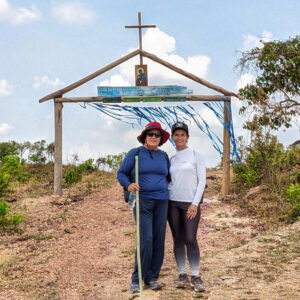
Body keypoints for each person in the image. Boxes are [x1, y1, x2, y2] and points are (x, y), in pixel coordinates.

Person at [117, 121, 170, 294]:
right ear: (145, 137)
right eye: (150, 134)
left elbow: (168, 177)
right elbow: (121, 173)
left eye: (157, 135)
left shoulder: (164, 156)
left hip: (162, 200)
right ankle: (136, 279)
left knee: (158, 239)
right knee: (146, 239)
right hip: (142, 200)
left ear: (161, 138)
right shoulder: (135, 153)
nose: (153, 137)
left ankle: (152, 277)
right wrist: (128, 185)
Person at [167, 122, 206, 292]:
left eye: (183, 134)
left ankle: (195, 275)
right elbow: (169, 181)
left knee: (190, 238)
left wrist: (195, 204)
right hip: (173, 203)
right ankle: (182, 274)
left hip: (190, 204)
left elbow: (202, 181)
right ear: (172, 137)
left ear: (187, 137)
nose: (179, 137)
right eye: (176, 135)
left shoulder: (196, 154)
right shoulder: (172, 158)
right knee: (178, 239)